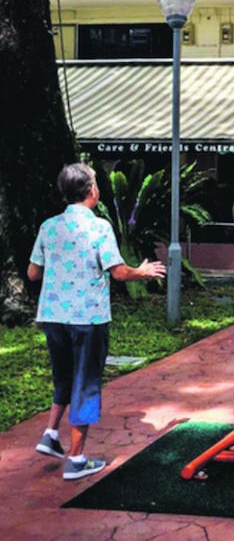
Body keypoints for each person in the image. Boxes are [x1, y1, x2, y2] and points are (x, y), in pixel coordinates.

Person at [27, 163, 165, 480]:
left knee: (63, 376)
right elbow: (117, 271)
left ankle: (50, 434)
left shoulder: (49, 226)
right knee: (86, 383)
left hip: (52, 316)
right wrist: (141, 271)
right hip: (87, 317)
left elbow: (33, 272)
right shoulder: (99, 227)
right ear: (91, 190)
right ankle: (76, 459)